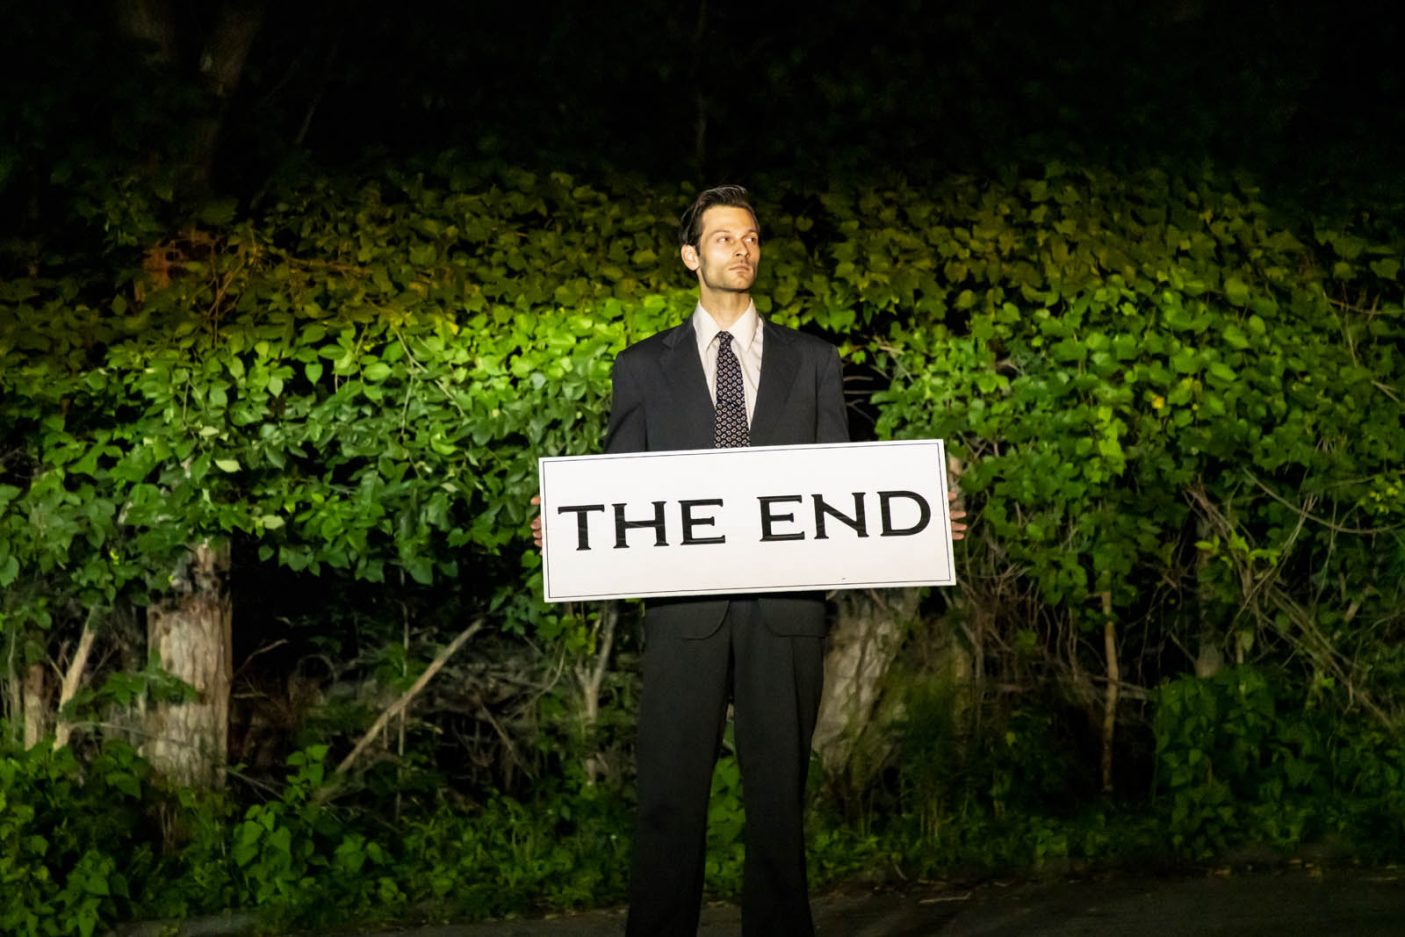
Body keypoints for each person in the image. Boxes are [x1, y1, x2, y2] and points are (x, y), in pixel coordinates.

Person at [533, 185, 966, 936]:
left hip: (785, 615)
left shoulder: (813, 360)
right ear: (690, 256)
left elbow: (840, 484)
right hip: (684, 617)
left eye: (752, 237)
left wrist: (923, 515)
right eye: (724, 238)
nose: (742, 249)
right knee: (668, 799)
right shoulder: (642, 367)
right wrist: (567, 526)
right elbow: (616, 483)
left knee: (778, 805)